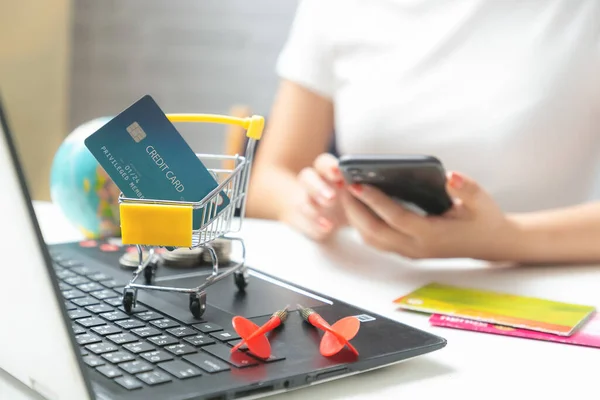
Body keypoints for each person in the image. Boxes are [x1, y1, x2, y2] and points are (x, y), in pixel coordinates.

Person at [246, 0, 600, 264]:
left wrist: (506, 238)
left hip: (539, 288)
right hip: (371, 280)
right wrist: (316, 204)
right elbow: (269, 178)